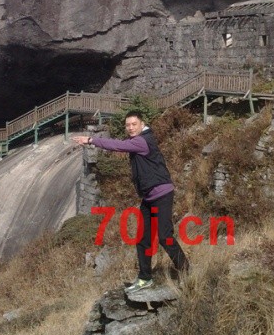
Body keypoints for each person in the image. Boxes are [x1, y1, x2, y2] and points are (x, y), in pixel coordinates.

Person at [72, 111, 189, 293]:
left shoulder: (142, 141)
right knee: (142, 238)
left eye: (134, 124)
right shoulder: (139, 139)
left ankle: (186, 271)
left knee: (165, 236)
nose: (130, 128)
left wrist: (90, 140)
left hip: (162, 195)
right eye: (128, 125)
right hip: (149, 198)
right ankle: (145, 278)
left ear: (142, 124)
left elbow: (118, 145)